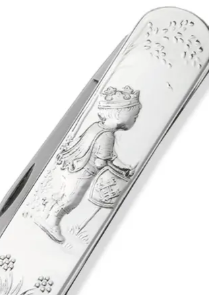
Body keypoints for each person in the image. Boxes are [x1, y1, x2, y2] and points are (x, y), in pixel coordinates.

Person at [35, 85, 142, 243]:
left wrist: (119, 165)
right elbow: (102, 161)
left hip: (73, 167)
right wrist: (122, 168)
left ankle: (45, 213)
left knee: (64, 194)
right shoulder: (108, 136)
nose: (135, 119)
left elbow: (102, 153)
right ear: (120, 115)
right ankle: (52, 223)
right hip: (83, 173)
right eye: (134, 116)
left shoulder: (95, 126)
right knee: (71, 200)